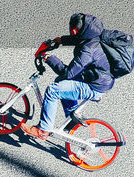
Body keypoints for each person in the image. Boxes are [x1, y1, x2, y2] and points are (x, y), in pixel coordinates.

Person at [20, 12, 113, 141]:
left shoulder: (87, 52)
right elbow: (78, 40)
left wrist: (50, 59)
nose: (73, 31)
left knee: (53, 90)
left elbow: (69, 72)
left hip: (94, 86)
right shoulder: (93, 38)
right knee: (61, 82)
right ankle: (72, 118)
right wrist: (61, 40)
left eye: (74, 30)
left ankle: (43, 130)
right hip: (97, 79)